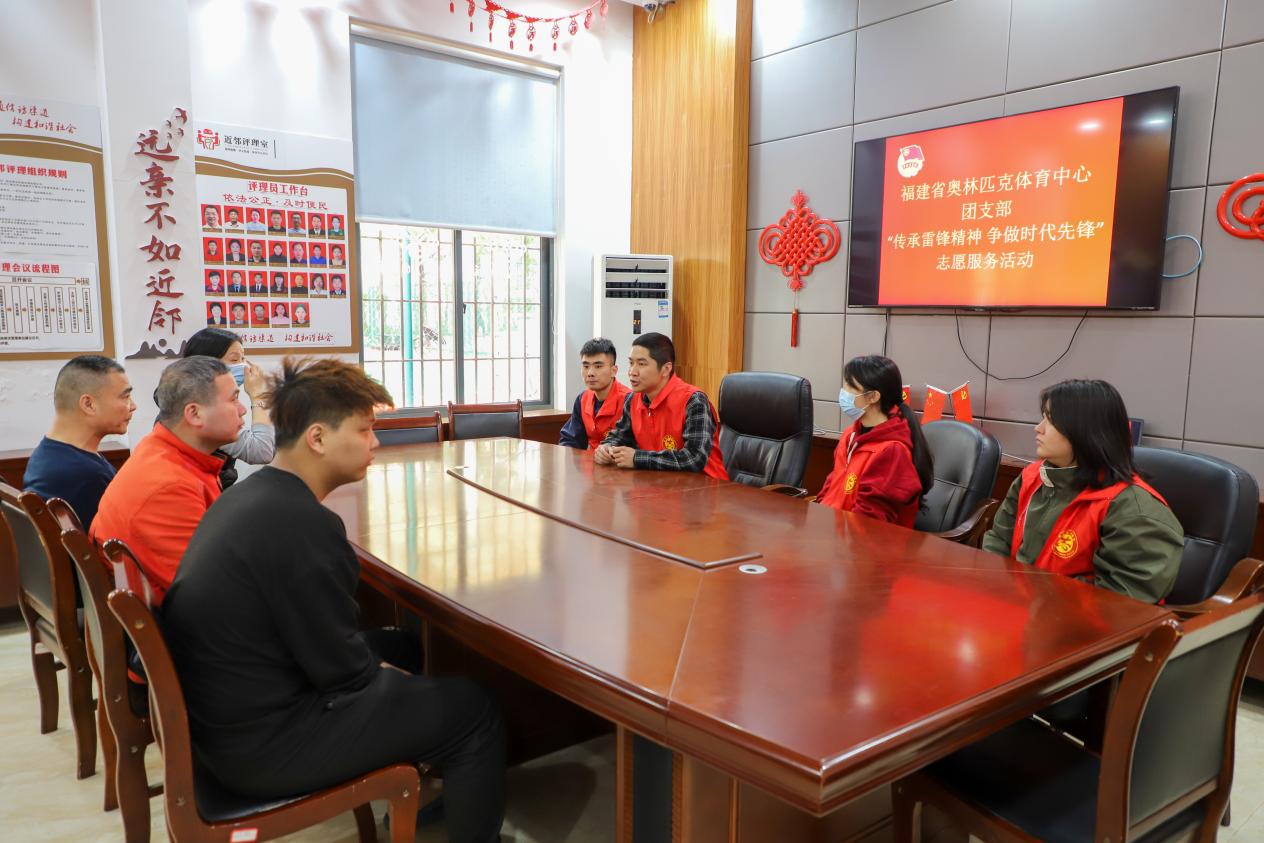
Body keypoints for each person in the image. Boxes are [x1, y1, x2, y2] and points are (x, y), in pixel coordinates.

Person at [161, 358, 505, 843]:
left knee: (405, 646)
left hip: (228, 715)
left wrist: (389, 672)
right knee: (475, 709)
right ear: (318, 438)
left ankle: (447, 781)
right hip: (264, 747)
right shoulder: (302, 524)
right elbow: (343, 672)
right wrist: (388, 679)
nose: (375, 443)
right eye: (365, 430)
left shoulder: (252, 496)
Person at [981, 379, 1183, 603]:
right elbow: (998, 540)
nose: (1038, 428)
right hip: (1017, 606)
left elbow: (1123, 598)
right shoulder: (1032, 478)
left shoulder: (1132, 508)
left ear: (1085, 432)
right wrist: (998, 590)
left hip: (1073, 619)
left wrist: (1036, 601)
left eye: (1051, 420)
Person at [90, 357, 245, 603]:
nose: (242, 409)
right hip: (175, 619)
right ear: (194, 413)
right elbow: (210, 592)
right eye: (233, 399)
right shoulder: (169, 487)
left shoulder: (159, 448)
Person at [816, 355, 935, 526]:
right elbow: (830, 488)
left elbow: (869, 522)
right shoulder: (850, 436)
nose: (844, 392)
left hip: (862, 538)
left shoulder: (891, 451)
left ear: (873, 397)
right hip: (835, 531)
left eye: (851, 386)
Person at [24, 355, 135, 530]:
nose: (133, 406)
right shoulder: (86, 475)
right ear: (88, 404)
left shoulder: (46, 452)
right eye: (125, 397)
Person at [595, 333, 727, 478]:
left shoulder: (694, 401)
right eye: (631, 363)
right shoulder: (632, 399)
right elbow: (619, 436)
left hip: (705, 487)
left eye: (641, 364)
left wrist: (637, 458)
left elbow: (694, 459)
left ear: (666, 369)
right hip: (660, 484)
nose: (632, 372)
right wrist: (606, 448)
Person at [183, 327, 275, 488]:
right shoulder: (202, 409)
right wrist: (258, 395)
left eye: (243, 359)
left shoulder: (194, 396)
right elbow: (261, 452)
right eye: (234, 360)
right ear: (206, 365)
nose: (244, 366)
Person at [559, 338, 630, 451]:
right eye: (586, 366)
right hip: (589, 461)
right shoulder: (583, 399)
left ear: (614, 371)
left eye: (598, 366)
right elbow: (571, 439)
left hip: (616, 460)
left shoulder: (629, 400)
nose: (590, 373)